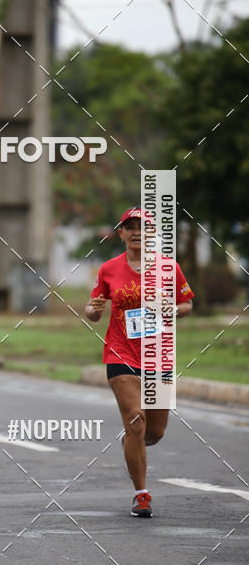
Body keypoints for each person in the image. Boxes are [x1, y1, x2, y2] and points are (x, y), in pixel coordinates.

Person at [84, 207, 194, 518]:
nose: (136, 232)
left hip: (159, 357)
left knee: (154, 432)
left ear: (152, 233)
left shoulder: (169, 268)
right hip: (121, 354)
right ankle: (141, 494)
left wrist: (169, 310)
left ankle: (132, 441)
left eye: (142, 227)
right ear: (121, 234)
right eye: (129, 227)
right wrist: (93, 309)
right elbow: (93, 312)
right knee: (135, 420)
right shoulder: (109, 269)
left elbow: (186, 304)